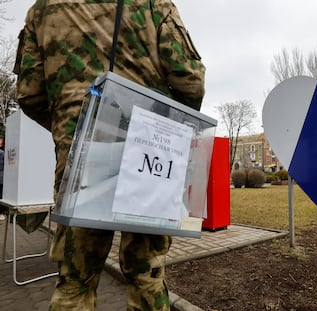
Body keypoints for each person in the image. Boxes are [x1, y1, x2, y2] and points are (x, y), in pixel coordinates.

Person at [14, 1, 205, 310]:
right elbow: (191, 81)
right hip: (148, 157)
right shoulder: (155, 4)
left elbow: (29, 92)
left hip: (81, 157)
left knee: (75, 280)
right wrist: (167, 126)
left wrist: (72, 128)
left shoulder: (41, 9)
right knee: (147, 273)